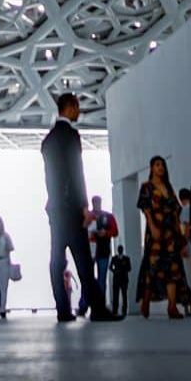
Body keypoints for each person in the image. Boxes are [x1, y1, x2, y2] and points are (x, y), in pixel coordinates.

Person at [41, 91, 100, 321]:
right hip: (71, 209)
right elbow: (76, 172)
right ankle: (98, 308)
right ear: (71, 106)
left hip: (55, 208)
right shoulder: (71, 136)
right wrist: (84, 206)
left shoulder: (49, 140)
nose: (79, 111)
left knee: (57, 259)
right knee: (83, 260)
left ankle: (63, 310)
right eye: (77, 107)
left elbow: (52, 178)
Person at [135, 155, 191, 318]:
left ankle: (172, 307)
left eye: (162, 165)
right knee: (153, 266)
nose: (160, 168)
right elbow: (145, 207)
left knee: (173, 267)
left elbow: (176, 210)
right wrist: (152, 226)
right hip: (156, 232)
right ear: (152, 168)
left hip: (171, 233)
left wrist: (180, 235)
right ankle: (145, 301)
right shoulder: (147, 187)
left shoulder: (168, 187)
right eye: (157, 165)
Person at [87, 193, 119, 294]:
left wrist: (106, 233)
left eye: (98, 202)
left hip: (103, 250)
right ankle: (86, 304)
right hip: (90, 251)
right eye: (95, 202)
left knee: (102, 279)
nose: (97, 204)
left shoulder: (108, 216)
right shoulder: (88, 216)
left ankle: (100, 304)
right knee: (87, 278)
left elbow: (115, 232)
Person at [109, 245, 132, 317]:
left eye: (120, 249)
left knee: (124, 295)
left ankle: (124, 311)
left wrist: (123, 269)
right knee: (115, 295)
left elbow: (129, 268)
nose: (120, 250)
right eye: (119, 249)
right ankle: (115, 310)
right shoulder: (114, 258)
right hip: (116, 279)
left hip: (124, 279)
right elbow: (110, 267)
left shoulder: (126, 258)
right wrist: (115, 271)